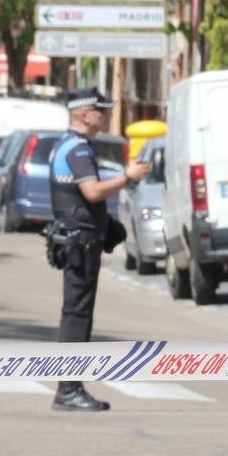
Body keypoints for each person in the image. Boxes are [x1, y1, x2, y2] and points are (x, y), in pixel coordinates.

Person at [48, 87, 149, 412]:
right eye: (101, 111)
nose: (105, 117)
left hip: (78, 239)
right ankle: (69, 388)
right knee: (77, 317)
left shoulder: (67, 145)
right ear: (84, 114)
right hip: (79, 243)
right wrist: (127, 177)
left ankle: (70, 386)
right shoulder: (77, 148)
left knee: (75, 314)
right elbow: (91, 192)